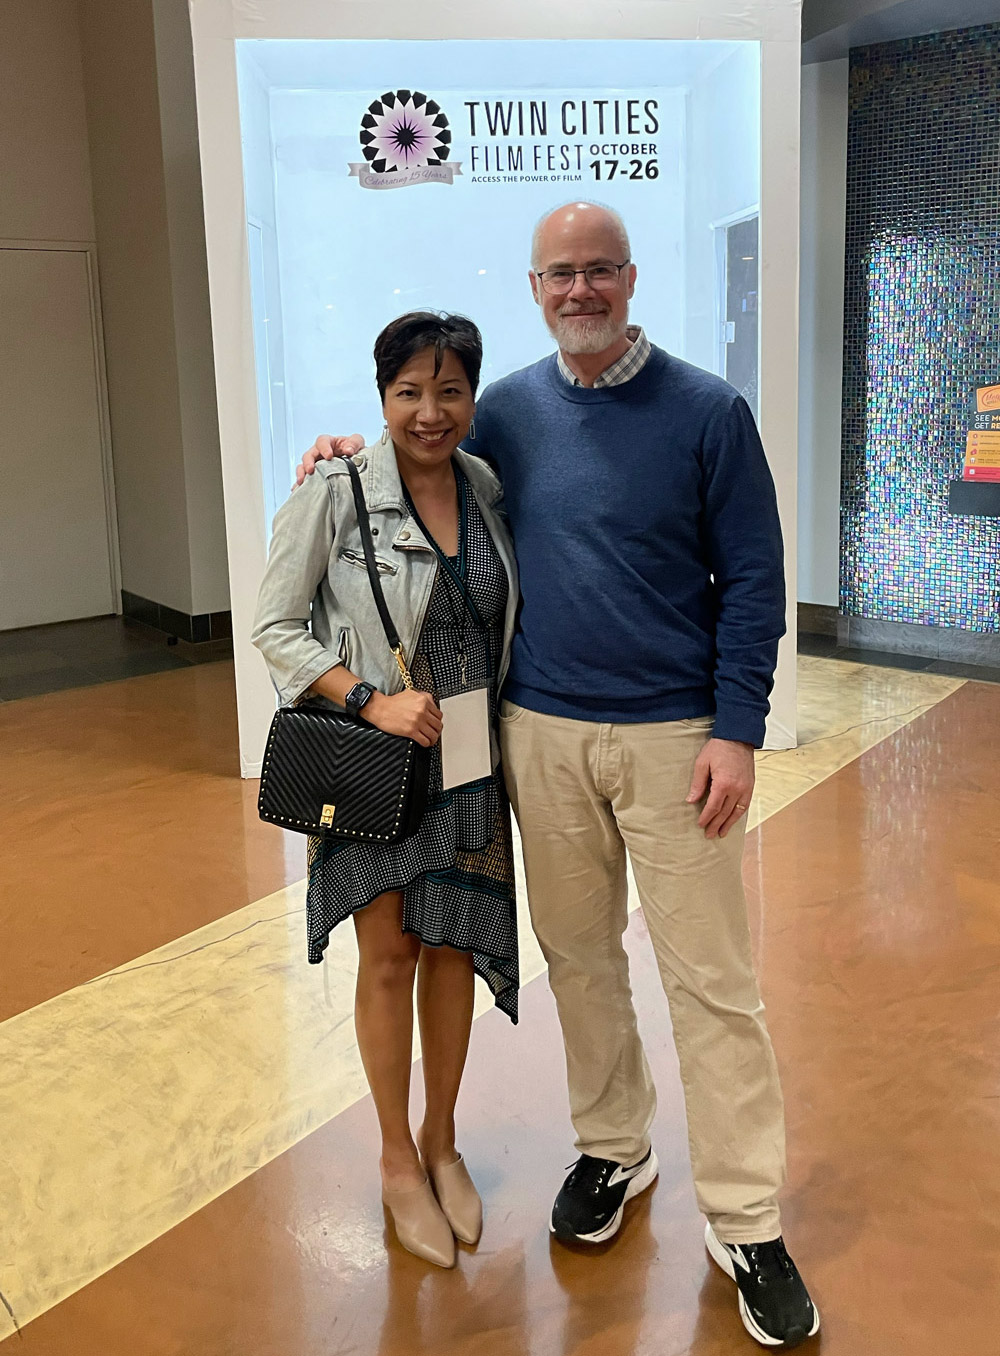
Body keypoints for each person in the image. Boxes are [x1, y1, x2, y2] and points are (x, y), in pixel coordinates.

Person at [296, 204, 819, 1348]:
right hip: (536, 733)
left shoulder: (708, 413)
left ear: (629, 279)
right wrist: (340, 455)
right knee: (579, 958)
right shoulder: (508, 414)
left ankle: (746, 1217)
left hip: (678, 739)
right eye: (559, 274)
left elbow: (754, 579)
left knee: (712, 983)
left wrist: (737, 728)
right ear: (535, 289)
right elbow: (418, 458)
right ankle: (614, 1148)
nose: (580, 290)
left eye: (598, 271)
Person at [253, 312, 520, 1271]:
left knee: (451, 949)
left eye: (449, 391)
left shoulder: (485, 487)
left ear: (472, 398)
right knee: (391, 956)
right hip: (379, 761)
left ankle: (444, 1142)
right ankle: (397, 1159)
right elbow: (276, 627)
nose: (429, 412)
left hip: (469, 756)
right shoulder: (336, 492)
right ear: (382, 396)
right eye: (409, 392)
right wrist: (371, 701)